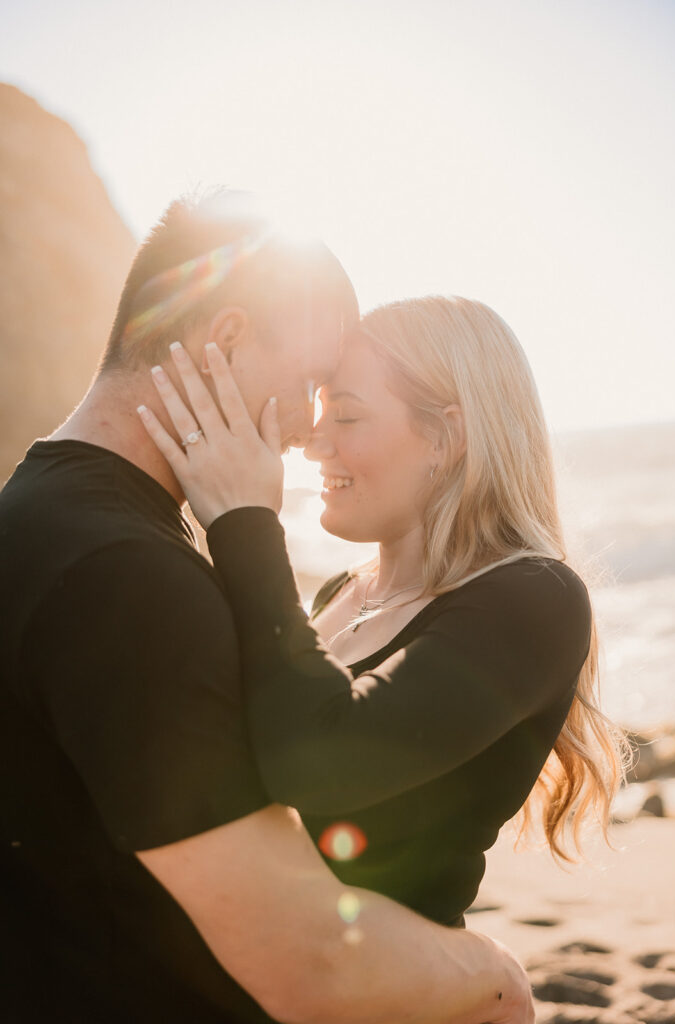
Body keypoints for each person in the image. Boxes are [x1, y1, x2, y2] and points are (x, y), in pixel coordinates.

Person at [0, 193, 533, 1024]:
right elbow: (308, 963)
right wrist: (492, 975)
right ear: (226, 341)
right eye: (315, 385)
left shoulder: (37, 512)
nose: (307, 431)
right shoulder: (125, 574)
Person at [139, 293, 625, 934]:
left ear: (447, 435)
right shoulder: (337, 592)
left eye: (344, 416)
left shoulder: (536, 599)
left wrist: (244, 523)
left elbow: (321, 769)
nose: (313, 443)